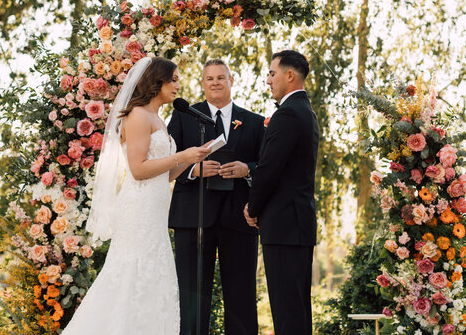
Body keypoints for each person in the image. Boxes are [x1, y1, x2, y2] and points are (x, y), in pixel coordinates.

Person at [62, 57, 212, 335]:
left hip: (154, 210)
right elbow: (139, 169)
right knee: (132, 276)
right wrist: (183, 154)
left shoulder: (158, 119)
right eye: (174, 79)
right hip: (138, 209)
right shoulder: (138, 115)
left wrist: (193, 159)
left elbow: (163, 174)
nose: (178, 85)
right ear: (158, 81)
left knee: (154, 278)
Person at [168, 59, 264, 335]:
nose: (216, 82)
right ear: (203, 83)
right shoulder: (184, 116)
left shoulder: (255, 123)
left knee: (242, 296)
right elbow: (166, 160)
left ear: (231, 81)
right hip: (192, 218)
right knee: (191, 296)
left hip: (240, 219)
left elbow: (268, 167)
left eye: (221, 77)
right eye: (209, 78)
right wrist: (193, 170)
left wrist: (248, 170)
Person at [244, 50, 318, 335]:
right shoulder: (304, 111)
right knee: (296, 310)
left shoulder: (288, 113)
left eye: (272, 73)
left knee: (288, 312)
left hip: (284, 224)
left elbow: (268, 169)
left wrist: (253, 208)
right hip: (295, 224)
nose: (268, 80)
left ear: (290, 75)